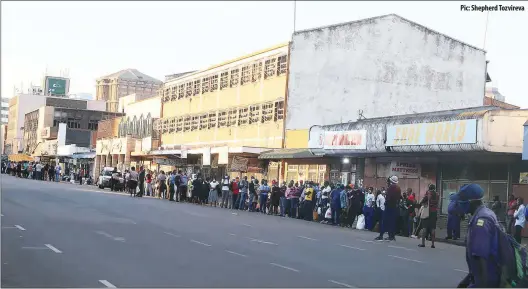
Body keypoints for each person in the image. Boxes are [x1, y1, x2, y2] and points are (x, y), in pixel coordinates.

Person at [454, 184, 501, 288]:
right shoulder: (485, 213)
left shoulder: (481, 222)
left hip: (486, 280)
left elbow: (481, 260)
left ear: (471, 201)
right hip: (482, 277)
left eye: (462, 200)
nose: (459, 204)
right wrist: (466, 281)